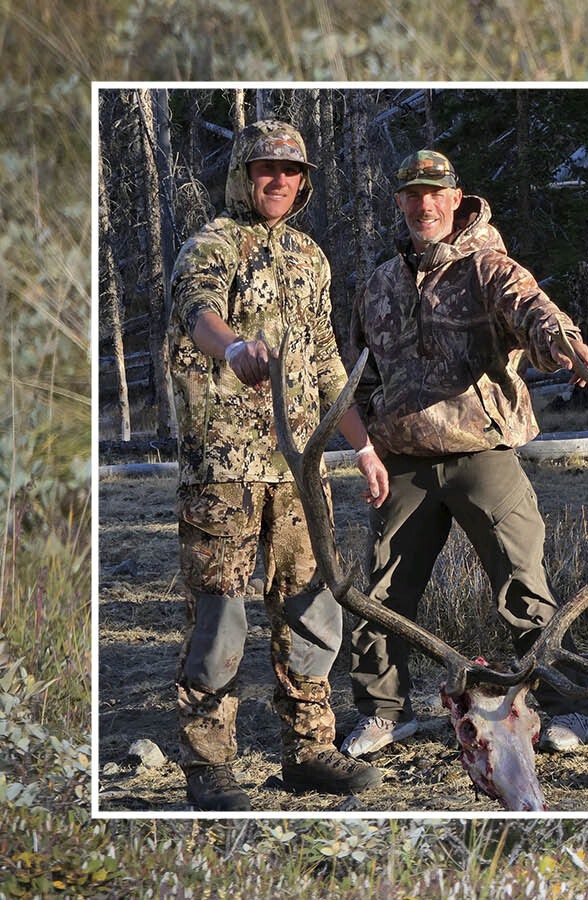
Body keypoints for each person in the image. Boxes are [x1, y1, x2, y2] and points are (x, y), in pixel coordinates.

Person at [340, 149, 588, 759]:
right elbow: (354, 372)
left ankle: (569, 707)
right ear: (400, 201)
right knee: (384, 595)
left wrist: (561, 340)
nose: (423, 204)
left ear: (457, 198)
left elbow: (532, 310)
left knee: (522, 587)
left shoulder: (489, 267)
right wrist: (367, 442)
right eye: (412, 193)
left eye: (435, 192)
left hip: (482, 452)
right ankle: (384, 714)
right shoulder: (378, 284)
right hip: (401, 457)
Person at [168, 119, 391, 812]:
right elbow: (196, 312)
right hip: (225, 468)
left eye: (292, 172)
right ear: (243, 172)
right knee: (221, 615)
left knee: (311, 607)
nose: (279, 181)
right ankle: (209, 766)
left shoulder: (310, 256)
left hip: (300, 471)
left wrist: (363, 444)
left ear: (304, 182)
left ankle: (308, 750)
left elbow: (326, 360)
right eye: (267, 168)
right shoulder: (213, 243)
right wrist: (232, 348)